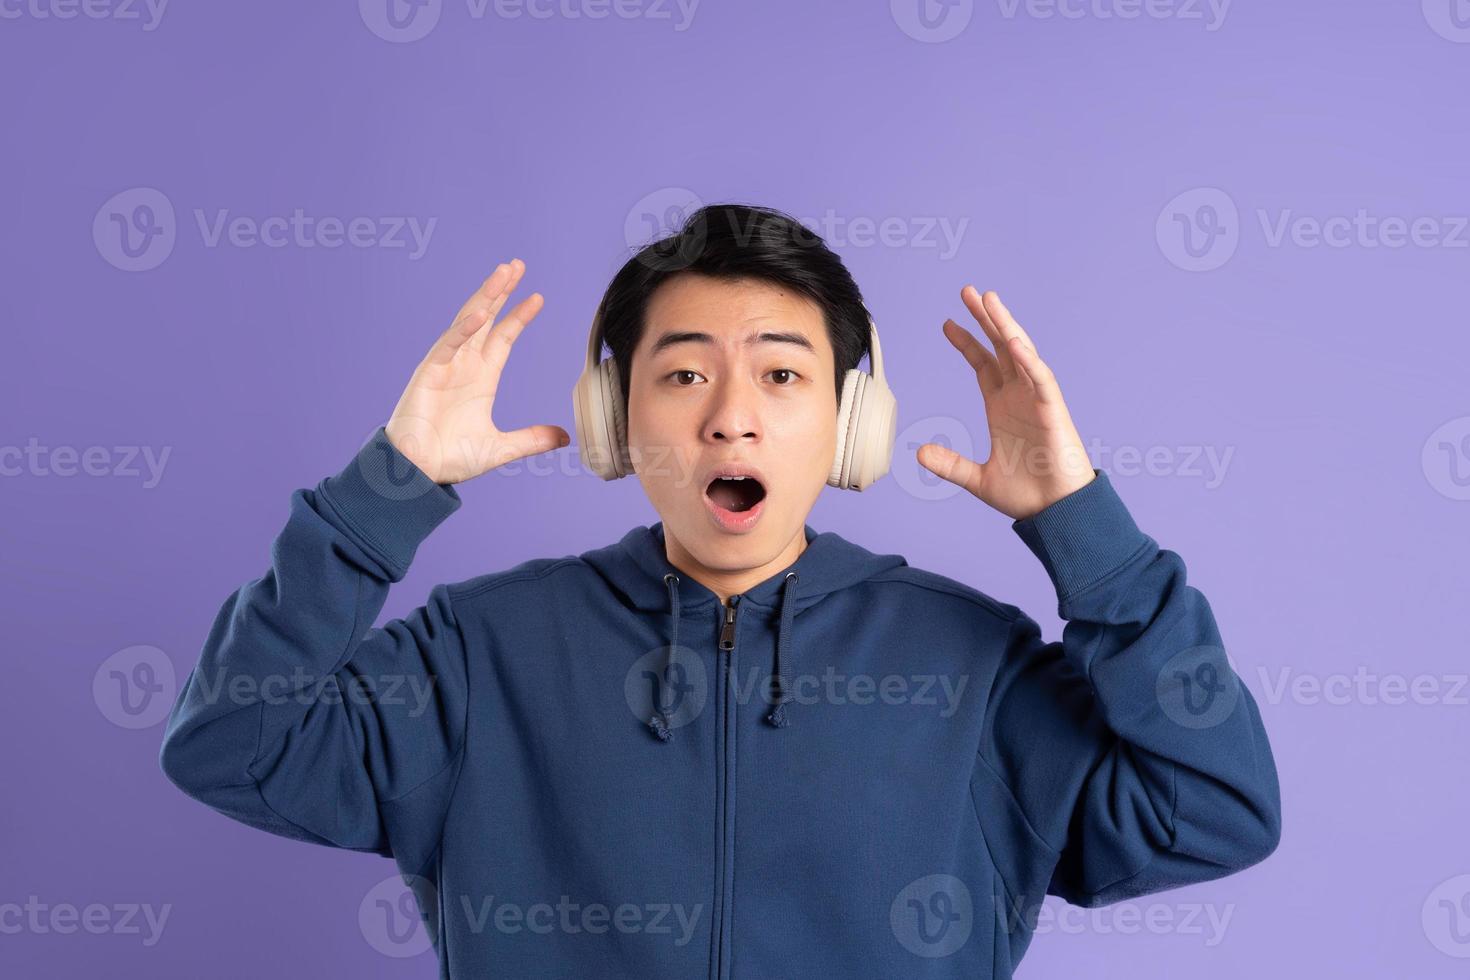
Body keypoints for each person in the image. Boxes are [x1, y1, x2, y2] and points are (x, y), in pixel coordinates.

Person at [158, 204, 1281, 978]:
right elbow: (229, 739)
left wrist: (1084, 531)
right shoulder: (479, 650)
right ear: (617, 416)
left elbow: (1215, 808)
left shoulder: (970, 666)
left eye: (783, 375)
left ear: (849, 420)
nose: (731, 416)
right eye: (684, 372)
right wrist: (383, 494)